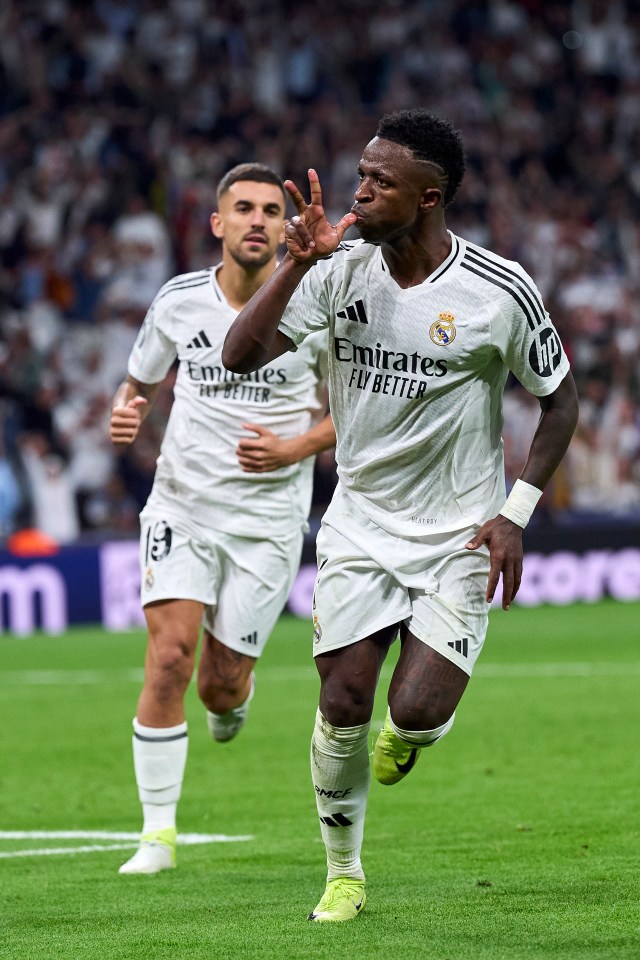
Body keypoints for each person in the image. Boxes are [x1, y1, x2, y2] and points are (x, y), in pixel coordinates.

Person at [222, 109, 579, 921]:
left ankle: (413, 734)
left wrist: (515, 513)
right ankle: (343, 872)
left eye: (380, 182)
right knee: (343, 699)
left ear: (429, 197)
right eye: (361, 173)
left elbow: (560, 401)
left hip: (458, 530)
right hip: (358, 523)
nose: (360, 191)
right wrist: (292, 264)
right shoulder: (337, 268)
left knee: (412, 712)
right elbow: (238, 355)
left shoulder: (498, 290)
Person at [109, 163, 335, 876]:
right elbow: (138, 382)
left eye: (272, 209)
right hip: (183, 503)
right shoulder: (178, 302)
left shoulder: (313, 308)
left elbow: (358, 411)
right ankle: (157, 835)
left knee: (220, 684)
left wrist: (296, 446)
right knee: (171, 656)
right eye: (244, 208)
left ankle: (234, 692)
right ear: (218, 223)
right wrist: (125, 410)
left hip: (269, 520)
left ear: (284, 225)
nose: (259, 220)